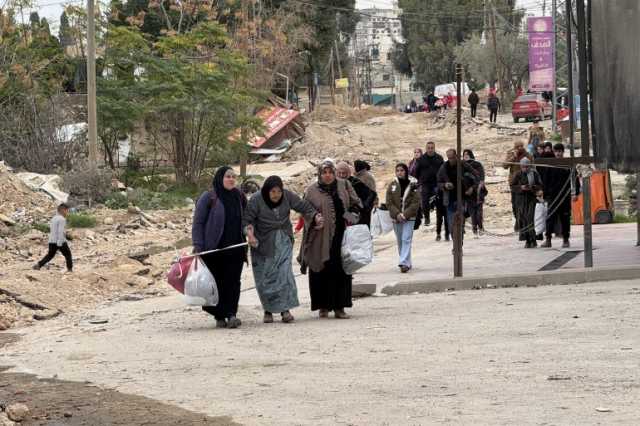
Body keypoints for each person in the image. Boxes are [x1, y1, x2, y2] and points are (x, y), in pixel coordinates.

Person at [244, 176, 322, 324]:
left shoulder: (287, 196)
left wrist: (315, 216)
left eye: (278, 191)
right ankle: (268, 310)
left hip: (284, 240)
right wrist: (250, 235)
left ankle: (285, 310)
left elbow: (302, 206)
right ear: (266, 191)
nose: (276, 195)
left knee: (285, 275)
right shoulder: (256, 199)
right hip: (263, 244)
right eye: (273, 191)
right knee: (266, 278)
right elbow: (247, 220)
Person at [299, 159, 362, 319]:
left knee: (341, 271)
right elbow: (305, 211)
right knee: (321, 270)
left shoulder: (343, 185)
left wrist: (349, 218)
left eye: (330, 172)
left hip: (341, 237)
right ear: (319, 174)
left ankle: (340, 307)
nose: (327, 176)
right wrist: (314, 218)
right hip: (320, 238)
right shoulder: (311, 190)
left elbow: (356, 204)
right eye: (324, 173)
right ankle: (323, 306)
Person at [192, 166, 247, 329]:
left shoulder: (240, 196)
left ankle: (231, 314)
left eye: (233, 177)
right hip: (214, 249)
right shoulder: (209, 197)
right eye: (227, 176)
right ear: (220, 178)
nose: (231, 179)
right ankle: (219, 315)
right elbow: (198, 222)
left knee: (233, 282)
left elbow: (247, 218)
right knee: (217, 283)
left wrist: (250, 232)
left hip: (236, 247)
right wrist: (198, 245)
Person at [540, 143, 581, 248]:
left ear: (563, 152)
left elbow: (575, 179)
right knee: (550, 218)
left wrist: (575, 193)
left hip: (565, 196)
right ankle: (548, 239)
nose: (558, 153)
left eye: (560, 151)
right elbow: (545, 181)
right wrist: (545, 195)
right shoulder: (550, 164)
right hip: (553, 197)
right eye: (556, 151)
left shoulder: (568, 164)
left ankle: (566, 240)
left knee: (565, 218)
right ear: (554, 152)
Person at [437, 149, 478, 245]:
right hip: (450, 199)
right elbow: (438, 182)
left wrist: (472, 188)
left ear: (456, 156)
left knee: (460, 223)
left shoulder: (463, 165)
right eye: (448, 158)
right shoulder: (444, 167)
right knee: (451, 225)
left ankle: (459, 244)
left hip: (462, 198)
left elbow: (476, 176)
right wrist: (445, 185)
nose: (450, 160)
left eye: (452, 157)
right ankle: (456, 243)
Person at [386, 164, 420, 273]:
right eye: (398, 170)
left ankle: (403, 262)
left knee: (406, 239)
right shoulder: (392, 184)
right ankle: (406, 262)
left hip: (409, 217)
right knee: (400, 240)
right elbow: (389, 202)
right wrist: (397, 214)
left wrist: (405, 214)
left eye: (402, 170)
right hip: (396, 217)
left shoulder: (413, 184)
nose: (400, 172)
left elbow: (415, 202)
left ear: (406, 171)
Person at [511, 158, 543, 248]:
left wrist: (533, 187)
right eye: (523, 167)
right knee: (523, 220)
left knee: (530, 218)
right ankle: (527, 240)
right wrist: (521, 187)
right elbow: (512, 186)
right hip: (521, 200)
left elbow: (540, 185)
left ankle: (533, 239)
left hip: (532, 199)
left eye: (527, 167)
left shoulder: (534, 173)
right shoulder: (518, 174)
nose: (525, 168)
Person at [33, 203, 73, 273]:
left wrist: (66, 235)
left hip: (51, 241)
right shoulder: (62, 219)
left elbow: (54, 230)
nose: (67, 212)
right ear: (63, 210)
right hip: (60, 241)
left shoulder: (54, 218)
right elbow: (60, 232)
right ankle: (70, 269)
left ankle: (38, 265)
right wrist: (60, 243)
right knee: (68, 254)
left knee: (50, 255)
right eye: (67, 210)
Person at [336, 162, 377, 227]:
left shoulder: (355, 182)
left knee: (355, 233)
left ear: (348, 173)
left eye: (343, 173)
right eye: (339, 173)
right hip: (340, 218)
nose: (341, 175)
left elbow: (372, 194)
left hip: (355, 216)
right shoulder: (333, 184)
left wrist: (363, 207)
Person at [414, 141, 444, 228]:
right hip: (425, 183)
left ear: (434, 148)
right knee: (424, 200)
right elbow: (417, 172)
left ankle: (440, 218)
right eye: (428, 148)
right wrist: (419, 181)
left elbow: (443, 170)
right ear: (426, 148)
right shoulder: (421, 159)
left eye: (432, 148)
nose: (430, 150)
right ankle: (427, 218)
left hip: (436, 183)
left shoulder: (439, 158)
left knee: (439, 200)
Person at [504, 141, 533, 223]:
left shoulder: (527, 155)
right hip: (514, 183)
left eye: (521, 146)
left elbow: (532, 167)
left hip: (524, 182)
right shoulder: (511, 154)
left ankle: (523, 222)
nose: (520, 148)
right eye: (518, 147)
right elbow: (504, 166)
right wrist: (514, 157)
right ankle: (518, 221)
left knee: (524, 204)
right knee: (515, 204)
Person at [463, 149, 487, 237]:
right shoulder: (462, 165)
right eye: (464, 154)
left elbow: (481, 177)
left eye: (467, 154)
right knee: (472, 213)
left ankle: (481, 227)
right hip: (468, 193)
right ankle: (474, 230)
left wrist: (477, 186)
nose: (465, 155)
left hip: (478, 191)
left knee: (479, 212)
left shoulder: (477, 164)